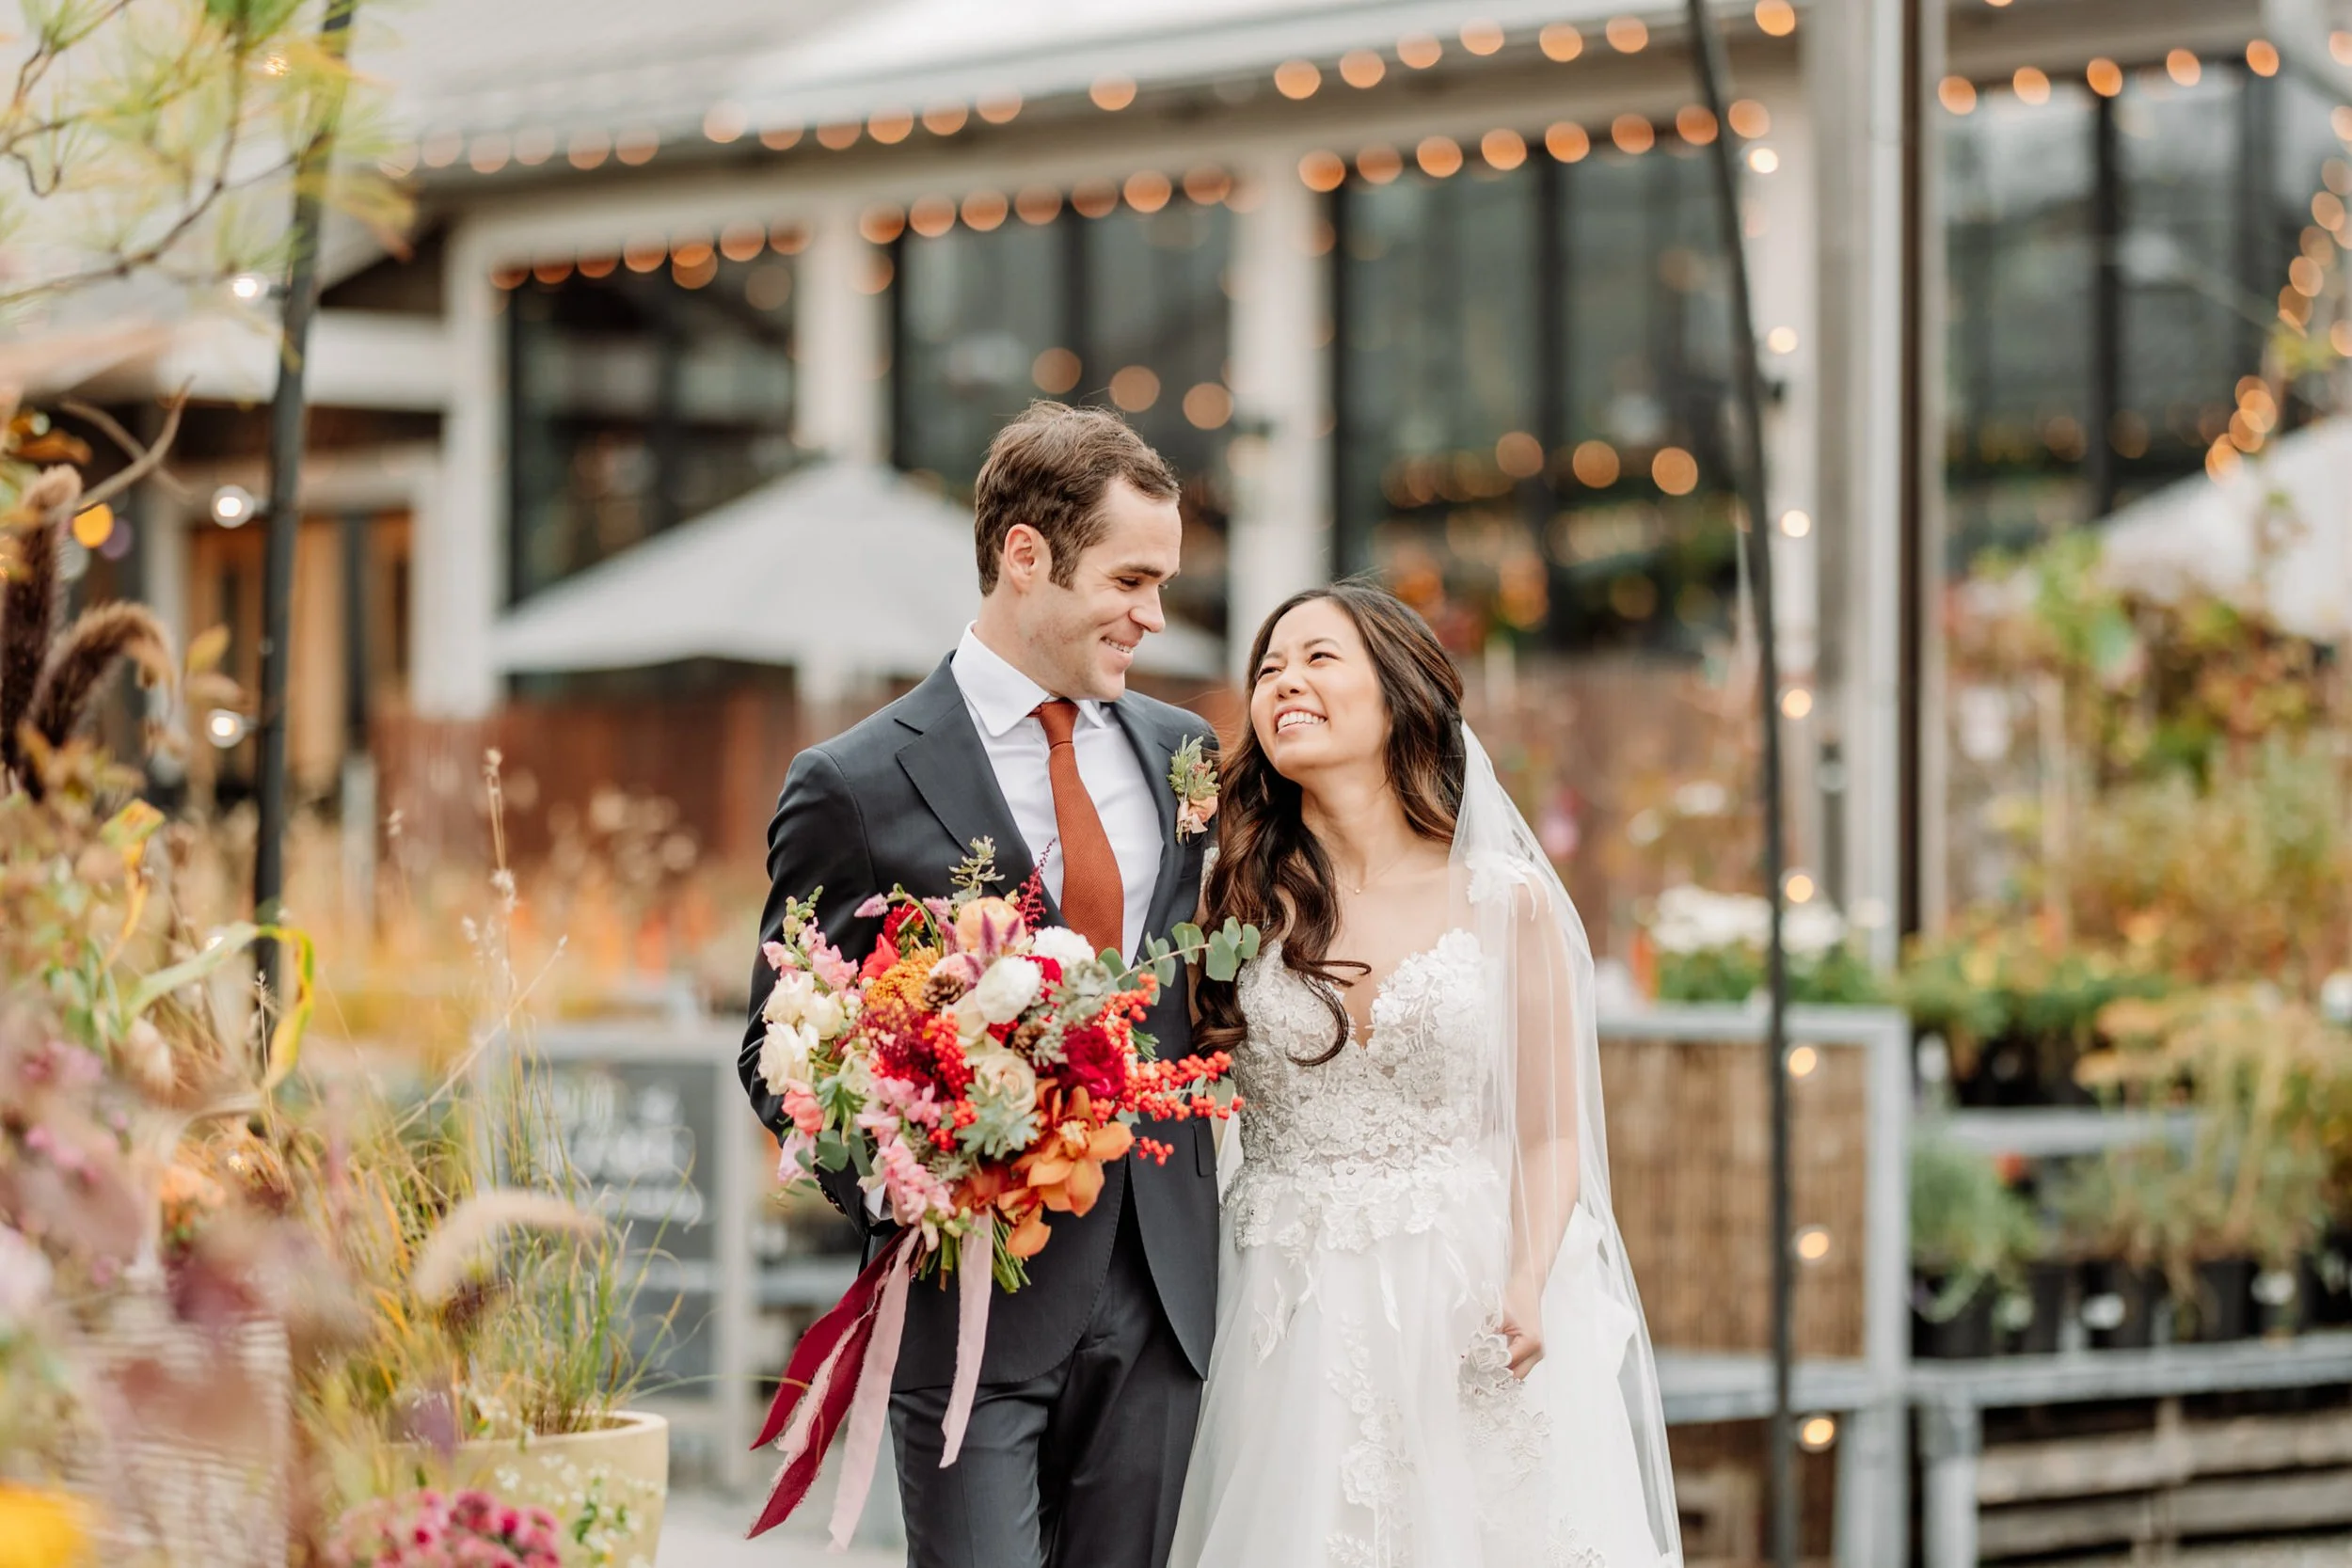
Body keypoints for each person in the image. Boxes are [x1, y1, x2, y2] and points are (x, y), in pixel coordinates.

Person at [738, 402, 1220, 1568]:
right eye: (1130, 578)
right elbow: (773, 1050)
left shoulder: (1184, 752)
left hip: (1162, 1293)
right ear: (1024, 555)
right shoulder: (850, 782)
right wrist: (915, 1171)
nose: (1153, 615)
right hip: (970, 1301)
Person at [1170, 583, 1682, 1568]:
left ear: (1397, 689)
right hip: (1285, 1296)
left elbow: (1548, 1128)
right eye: (1268, 668)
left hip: (1469, 1289)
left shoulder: (1506, 897)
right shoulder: (1224, 899)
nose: (1285, 682)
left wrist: (1526, 1278)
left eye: (1318, 657)